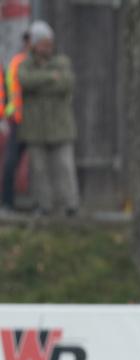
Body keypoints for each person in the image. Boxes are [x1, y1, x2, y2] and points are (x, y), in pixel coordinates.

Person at [17, 20, 79, 216]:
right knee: (39, 169)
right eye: (42, 43)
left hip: (60, 126)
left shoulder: (62, 62)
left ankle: (70, 205)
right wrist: (50, 77)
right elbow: (25, 81)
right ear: (35, 45)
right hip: (35, 128)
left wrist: (40, 84)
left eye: (49, 43)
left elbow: (66, 84)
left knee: (64, 167)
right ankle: (44, 206)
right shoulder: (25, 64)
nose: (46, 47)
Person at [2, 31, 29, 212]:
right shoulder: (19, 62)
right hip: (18, 120)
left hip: (31, 120)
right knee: (11, 161)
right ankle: (7, 202)